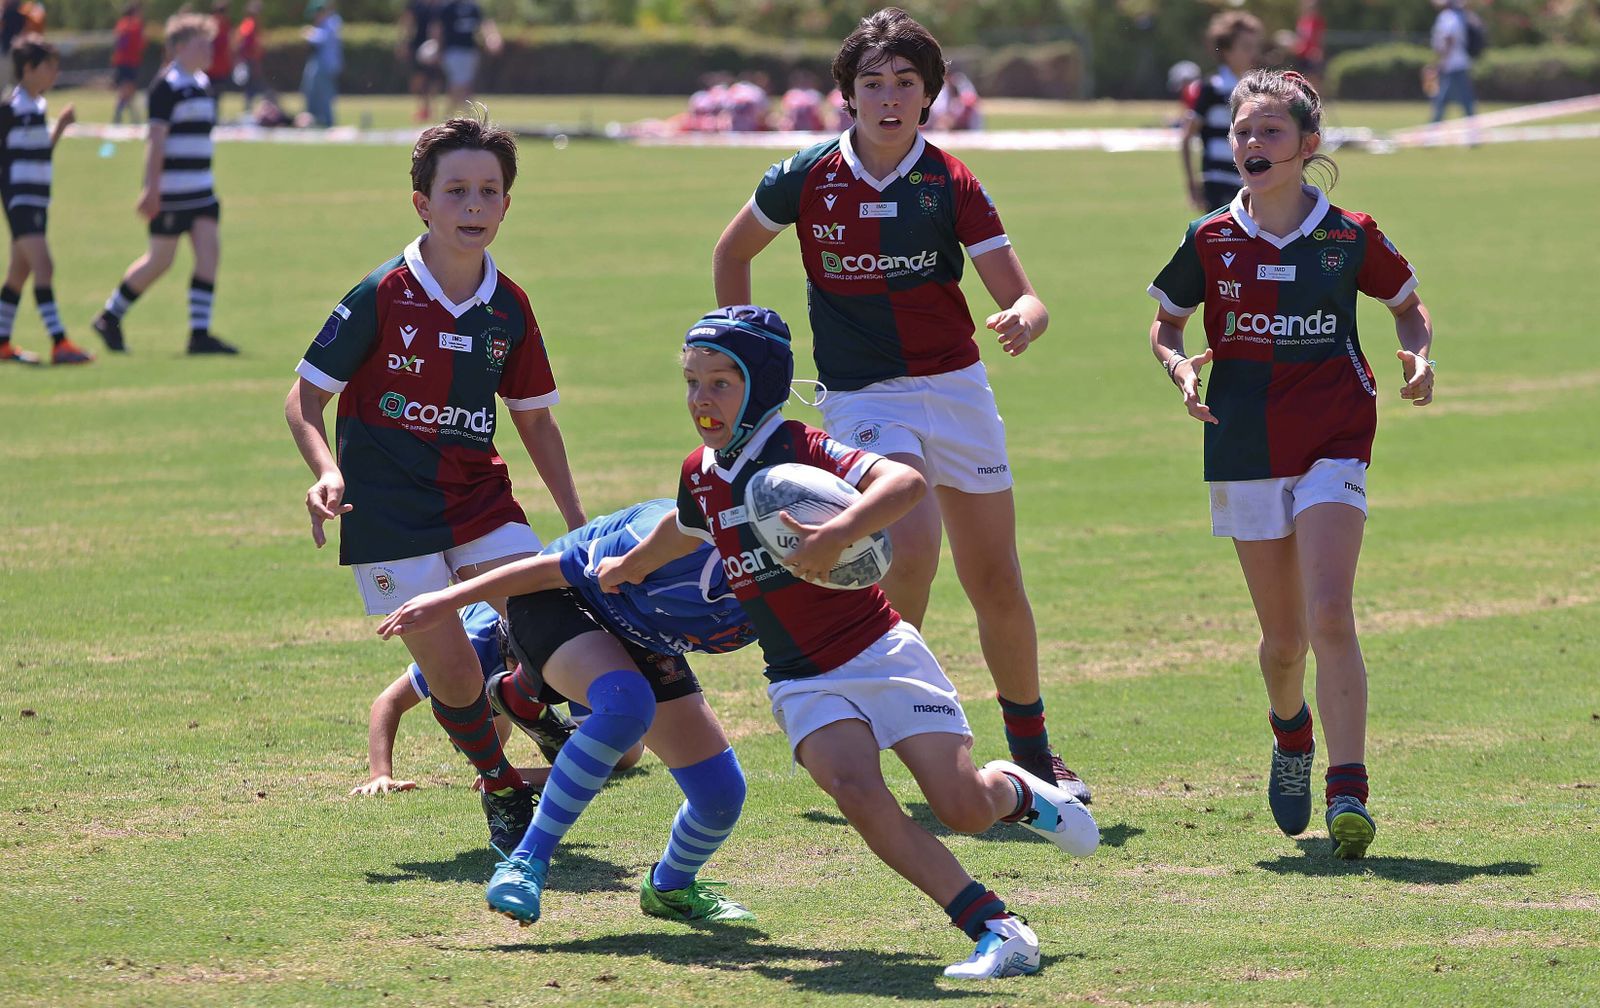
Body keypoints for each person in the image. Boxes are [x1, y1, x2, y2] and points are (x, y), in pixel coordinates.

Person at [598, 306, 1098, 979]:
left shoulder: (799, 449)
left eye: (721, 382)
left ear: (764, 383)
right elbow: (684, 527)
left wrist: (838, 532)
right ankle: (997, 929)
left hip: (881, 653)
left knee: (964, 809)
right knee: (856, 790)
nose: (702, 400)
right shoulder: (701, 471)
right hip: (800, 676)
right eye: (692, 383)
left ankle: (1016, 793)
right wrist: (630, 565)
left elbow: (906, 482)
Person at [711, 8, 1089, 802]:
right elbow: (732, 251)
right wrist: (740, 358)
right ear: (846, 95)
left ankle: (1033, 750)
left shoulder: (949, 181)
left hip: (957, 389)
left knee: (996, 577)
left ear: (930, 95)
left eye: (905, 84)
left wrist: (1023, 317)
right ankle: (889, 722)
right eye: (872, 84)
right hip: (863, 397)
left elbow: (1024, 295)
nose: (888, 98)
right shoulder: (805, 175)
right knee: (908, 547)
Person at [1146, 69, 1436, 860]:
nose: (1251, 144)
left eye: (1270, 132)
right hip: (1242, 442)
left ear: (1308, 147)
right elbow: (1166, 326)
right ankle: (1291, 732)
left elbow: (1407, 304)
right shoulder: (1209, 239)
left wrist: (1416, 356)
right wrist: (1179, 369)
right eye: (1243, 131)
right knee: (1282, 643)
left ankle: (1350, 791)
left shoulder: (1351, 236)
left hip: (1336, 435)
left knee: (1330, 613)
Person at [285, 111, 586, 872]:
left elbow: (536, 424)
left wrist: (578, 522)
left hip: (478, 496)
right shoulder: (383, 293)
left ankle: (523, 701)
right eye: (457, 191)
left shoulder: (510, 307)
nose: (474, 206)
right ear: (422, 202)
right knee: (452, 675)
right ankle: (500, 786)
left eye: (489, 191)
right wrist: (327, 469)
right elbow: (304, 397)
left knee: (549, 618)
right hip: (386, 512)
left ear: (507, 205)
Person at [379, 495, 758, 924]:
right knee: (625, 705)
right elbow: (548, 569)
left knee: (720, 794)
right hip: (555, 600)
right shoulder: (658, 540)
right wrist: (447, 601)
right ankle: (523, 864)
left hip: (641, 633)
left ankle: (670, 888)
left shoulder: (800, 594)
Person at [353, 601, 622, 797]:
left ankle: (534, 717)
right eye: (519, 669)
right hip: (485, 677)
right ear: (503, 652)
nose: (529, 677)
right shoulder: (470, 654)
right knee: (480, 743)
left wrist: (521, 775)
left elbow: (599, 766)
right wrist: (380, 775)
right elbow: (388, 701)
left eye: (537, 673)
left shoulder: (574, 658)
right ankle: (511, 712)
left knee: (624, 758)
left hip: (564, 650)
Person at [91, 14, 237, 356]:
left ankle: (199, 335)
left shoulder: (202, 83)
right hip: (173, 192)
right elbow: (155, 141)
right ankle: (110, 316)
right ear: (181, 47)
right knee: (159, 260)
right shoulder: (165, 86)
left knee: (209, 254)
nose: (209, 50)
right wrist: (150, 188)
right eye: (202, 44)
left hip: (202, 189)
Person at [0, 37, 86, 365]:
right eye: (48, 66)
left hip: (38, 198)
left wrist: (61, 128)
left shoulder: (38, 107)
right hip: (19, 198)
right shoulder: (9, 108)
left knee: (18, 274)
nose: (55, 72)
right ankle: (59, 342)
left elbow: (39, 154)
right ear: (28, 69)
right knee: (44, 266)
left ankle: (2, 344)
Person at [1180, 10, 1262, 214]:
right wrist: (1192, 183)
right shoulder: (1211, 88)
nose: (1252, 53)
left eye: (1254, 47)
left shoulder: (1256, 90)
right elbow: (1186, 136)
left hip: (1248, 179)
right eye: (1245, 47)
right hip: (1217, 180)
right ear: (1226, 50)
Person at [437, 0, 500, 108]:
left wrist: (492, 38)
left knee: (467, 85)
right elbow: (438, 29)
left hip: (470, 51)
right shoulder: (447, 7)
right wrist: (439, 50)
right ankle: (453, 115)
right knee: (457, 84)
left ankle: (464, 114)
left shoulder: (473, 7)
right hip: (453, 51)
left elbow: (485, 23)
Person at [1429, 0, 1477, 124]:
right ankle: (1473, 131)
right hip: (1457, 64)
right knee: (1456, 99)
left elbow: (1449, 39)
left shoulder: (1448, 16)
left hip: (1453, 65)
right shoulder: (1456, 15)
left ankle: (1432, 131)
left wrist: (1442, 61)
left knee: (1445, 99)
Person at [398, 0, 441, 123]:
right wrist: (403, 42)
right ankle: (423, 107)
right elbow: (407, 22)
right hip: (417, 46)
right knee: (418, 79)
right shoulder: (415, 5)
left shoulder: (439, 5)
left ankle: (431, 109)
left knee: (433, 80)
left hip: (434, 47)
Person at [300, 0, 341, 128]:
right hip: (322, 65)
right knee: (312, 92)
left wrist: (309, 33)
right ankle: (314, 119)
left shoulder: (331, 23)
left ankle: (327, 121)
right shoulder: (325, 24)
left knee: (324, 94)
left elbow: (322, 39)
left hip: (326, 66)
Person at [111, 3, 145, 124]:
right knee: (127, 89)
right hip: (128, 62)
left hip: (127, 61)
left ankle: (130, 116)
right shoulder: (132, 25)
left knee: (129, 90)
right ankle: (121, 114)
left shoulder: (123, 24)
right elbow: (131, 44)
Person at [233, 0, 266, 113]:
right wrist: (249, 55)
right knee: (251, 86)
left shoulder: (251, 23)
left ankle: (249, 108)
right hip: (249, 59)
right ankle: (248, 110)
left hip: (251, 59)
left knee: (252, 86)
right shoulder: (250, 24)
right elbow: (244, 43)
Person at [207, 1, 232, 113]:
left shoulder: (223, 24)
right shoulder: (213, 24)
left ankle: (213, 115)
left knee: (215, 95)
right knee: (212, 94)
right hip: (213, 67)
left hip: (216, 66)